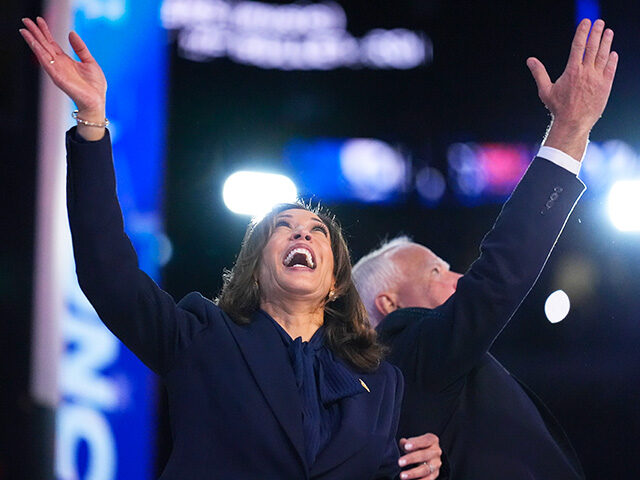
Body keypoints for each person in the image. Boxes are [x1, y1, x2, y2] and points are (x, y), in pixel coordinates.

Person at [20, 16, 445, 480]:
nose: (302, 234)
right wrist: (91, 120)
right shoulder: (201, 336)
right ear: (256, 269)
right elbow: (107, 270)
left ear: (336, 282)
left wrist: (422, 466)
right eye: (283, 228)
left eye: (317, 231)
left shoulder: (382, 382)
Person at [353, 18, 617, 480]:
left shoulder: (407, 389)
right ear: (389, 305)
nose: (458, 277)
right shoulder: (409, 350)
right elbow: (500, 271)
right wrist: (570, 129)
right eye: (436, 271)